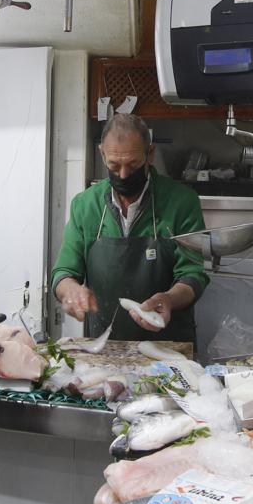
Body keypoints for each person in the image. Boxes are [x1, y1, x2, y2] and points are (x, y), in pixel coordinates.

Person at [51, 114, 209, 343]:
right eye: (114, 165)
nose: (123, 175)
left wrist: (169, 299)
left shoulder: (182, 202)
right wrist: (70, 291)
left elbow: (193, 275)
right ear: (102, 154)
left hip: (169, 346)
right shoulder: (85, 206)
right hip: (105, 346)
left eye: (133, 165)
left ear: (150, 153)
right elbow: (63, 272)